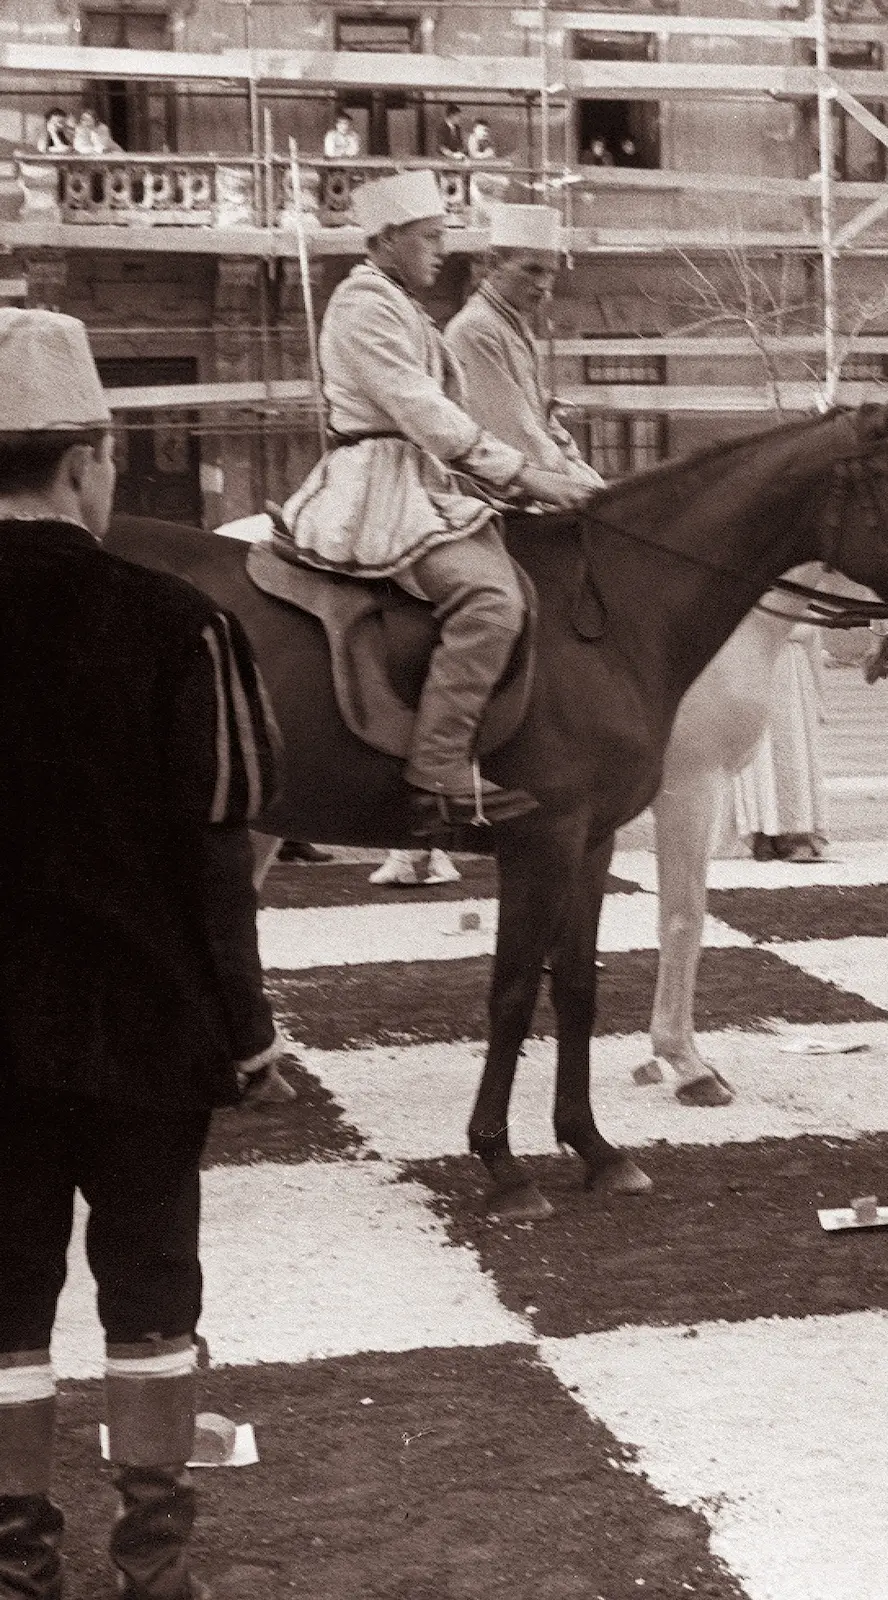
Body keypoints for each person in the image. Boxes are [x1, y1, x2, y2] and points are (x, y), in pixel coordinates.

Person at [0, 309, 284, 1600]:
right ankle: (154, 1568)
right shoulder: (180, 626)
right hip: (146, 1032)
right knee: (151, 1294)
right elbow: (217, 853)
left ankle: (17, 1566)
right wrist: (248, 1031)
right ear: (87, 465)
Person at [279, 170, 594, 836]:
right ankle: (439, 770)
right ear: (388, 238)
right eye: (427, 237)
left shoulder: (399, 303)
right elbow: (424, 412)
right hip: (378, 483)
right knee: (491, 599)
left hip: (418, 478)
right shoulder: (363, 304)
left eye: (441, 236)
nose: (439, 251)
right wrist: (527, 478)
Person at [444, 203, 605, 497]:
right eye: (532, 269)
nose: (544, 285)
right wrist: (580, 485)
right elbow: (516, 433)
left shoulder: (513, 325)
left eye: (551, 273)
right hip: (500, 493)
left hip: (540, 479)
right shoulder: (476, 329)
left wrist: (584, 473)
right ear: (493, 264)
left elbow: (542, 419)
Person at [735, 624, 831, 862]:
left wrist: (820, 695)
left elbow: (811, 634)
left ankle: (793, 832)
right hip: (752, 662)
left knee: (793, 752)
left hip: (792, 672)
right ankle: (761, 832)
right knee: (756, 752)